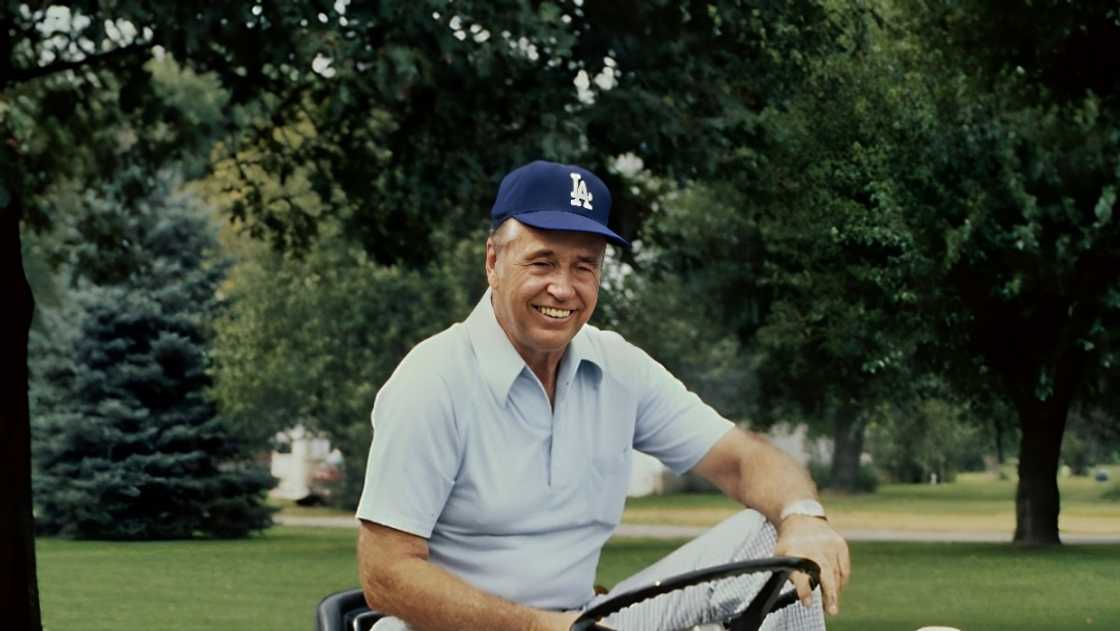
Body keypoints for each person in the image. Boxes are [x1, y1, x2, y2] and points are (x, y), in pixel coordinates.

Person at [355, 160, 850, 631]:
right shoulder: (433, 379)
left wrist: (804, 517)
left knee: (773, 539)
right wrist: (541, 626)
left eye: (584, 267)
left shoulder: (617, 366)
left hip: (584, 620)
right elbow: (385, 574)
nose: (563, 288)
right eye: (542, 262)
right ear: (493, 261)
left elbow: (743, 459)